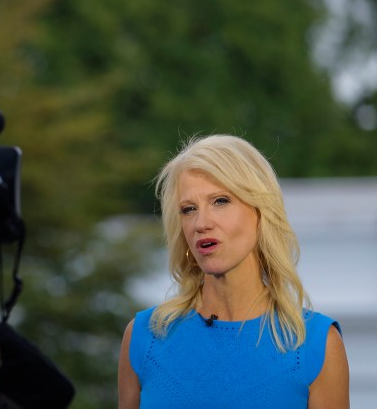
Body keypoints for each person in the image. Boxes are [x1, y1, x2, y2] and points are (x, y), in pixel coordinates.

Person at [117, 135, 349, 409]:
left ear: (260, 212)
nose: (201, 223)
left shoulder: (315, 345)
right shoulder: (145, 338)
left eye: (220, 201)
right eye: (189, 209)